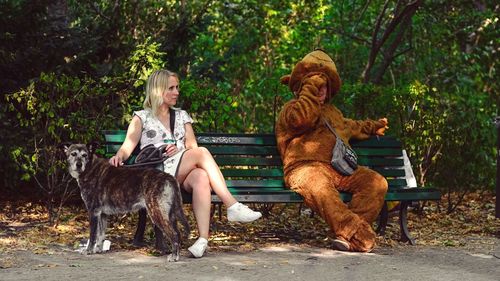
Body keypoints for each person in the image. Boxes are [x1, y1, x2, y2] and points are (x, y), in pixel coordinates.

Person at [109, 69, 262, 258]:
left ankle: (202, 240)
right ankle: (232, 205)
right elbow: (127, 147)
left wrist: (179, 151)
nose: (177, 92)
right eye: (171, 88)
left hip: (178, 171)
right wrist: (118, 157)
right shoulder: (142, 117)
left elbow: (192, 147)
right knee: (203, 154)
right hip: (156, 175)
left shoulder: (182, 116)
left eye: (177, 87)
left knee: (201, 177)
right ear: (158, 90)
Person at [275, 49, 389, 252]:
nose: (321, 89)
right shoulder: (291, 109)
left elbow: (354, 126)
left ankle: (344, 237)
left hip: (338, 169)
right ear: (303, 86)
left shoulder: (333, 113)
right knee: (319, 184)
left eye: (324, 85)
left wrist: (375, 126)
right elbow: (303, 119)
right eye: (314, 83)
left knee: (376, 182)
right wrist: (310, 91)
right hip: (304, 169)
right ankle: (359, 236)